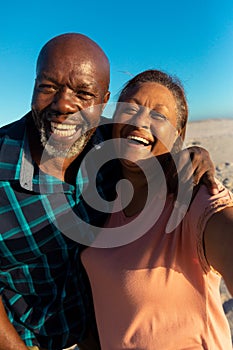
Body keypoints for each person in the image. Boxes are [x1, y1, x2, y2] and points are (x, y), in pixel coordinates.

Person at [0, 33, 218, 350]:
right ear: (33, 85)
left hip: (98, 333)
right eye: (48, 87)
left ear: (104, 100)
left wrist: (195, 154)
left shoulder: (112, 144)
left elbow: (156, 147)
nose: (64, 105)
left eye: (83, 93)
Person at [81, 69, 233, 349]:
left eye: (158, 115)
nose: (140, 122)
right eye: (131, 109)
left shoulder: (193, 199)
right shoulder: (101, 195)